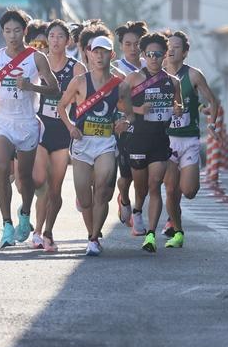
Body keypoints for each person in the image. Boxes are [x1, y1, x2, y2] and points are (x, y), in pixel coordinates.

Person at [0, 9, 59, 248]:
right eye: (7, 31)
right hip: (3, 120)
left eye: (16, 30)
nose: (12, 35)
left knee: (25, 178)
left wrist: (31, 87)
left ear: (24, 31)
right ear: (2, 33)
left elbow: (54, 88)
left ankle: (24, 214)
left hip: (27, 121)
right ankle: (6, 225)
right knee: (4, 167)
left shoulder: (36, 58)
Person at [57, 27, 132, 256]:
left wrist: (125, 122)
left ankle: (93, 238)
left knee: (101, 191)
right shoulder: (79, 82)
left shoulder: (120, 84)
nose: (100, 56)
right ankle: (93, 233)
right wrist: (71, 128)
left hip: (106, 143)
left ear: (112, 55)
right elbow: (61, 106)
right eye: (95, 51)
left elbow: (128, 112)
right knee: (84, 197)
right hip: (82, 144)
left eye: (105, 52)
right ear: (88, 53)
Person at [123, 32, 183, 252]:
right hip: (137, 140)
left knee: (154, 184)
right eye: (149, 54)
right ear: (144, 55)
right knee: (141, 189)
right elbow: (119, 103)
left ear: (165, 55)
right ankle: (137, 209)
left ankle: (150, 235)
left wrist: (178, 109)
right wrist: (138, 109)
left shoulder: (173, 81)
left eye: (158, 54)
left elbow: (179, 106)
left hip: (160, 141)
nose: (154, 58)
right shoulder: (134, 78)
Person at [30, 20, 86, 251]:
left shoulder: (76, 68)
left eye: (60, 36)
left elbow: (83, 100)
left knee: (55, 188)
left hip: (64, 131)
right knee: (39, 181)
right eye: (51, 36)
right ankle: (36, 229)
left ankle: (48, 232)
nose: (55, 40)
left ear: (68, 41)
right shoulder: (38, 62)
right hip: (41, 129)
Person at [162, 30, 220, 248]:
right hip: (167, 141)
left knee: (188, 191)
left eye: (176, 47)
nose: (171, 50)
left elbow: (213, 101)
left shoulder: (193, 75)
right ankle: (177, 231)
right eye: (169, 46)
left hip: (189, 141)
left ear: (185, 53)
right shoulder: (158, 75)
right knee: (170, 189)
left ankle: (174, 218)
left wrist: (212, 124)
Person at [112, 20, 148, 230]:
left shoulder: (151, 67)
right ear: (121, 46)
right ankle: (124, 198)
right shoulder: (116, 70)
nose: (133, 48)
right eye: (128, 44)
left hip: (147, 128)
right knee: (126, 178)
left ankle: (138, 213)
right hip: (123, 128)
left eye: (137, 44)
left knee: (142, 176)